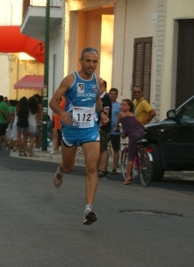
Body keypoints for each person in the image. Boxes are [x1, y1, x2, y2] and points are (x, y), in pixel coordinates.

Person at [48, 47, 109, 225]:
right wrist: (61, 112)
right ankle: (61, 168)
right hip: (71, 129)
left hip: (90, 129)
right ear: (81, 61)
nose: (92, 65)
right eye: (88, 61)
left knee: (92, 167)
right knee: (69, 167)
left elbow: (97, 101)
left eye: (95, 61)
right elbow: (53, 102)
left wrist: (102, 114)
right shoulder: (70, 79)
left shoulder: (98, 81)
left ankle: (88, 208)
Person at [114, 99, 146, 185]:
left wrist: (116, 129)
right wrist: (144, 128)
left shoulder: (121, 114)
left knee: (130, 157)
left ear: (128, 107)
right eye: (121, 104)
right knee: (138, 147)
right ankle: (141, 158)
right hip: (141, 132)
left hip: (133, 135)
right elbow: (139, 122)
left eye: (124, 105)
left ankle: (128, 176)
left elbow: (118, 124)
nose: (122, 106)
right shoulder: (132, 115)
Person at [97, 80, 112, 179]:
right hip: (96, 126)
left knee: (103, 149)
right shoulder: (98, 98)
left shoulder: (105, 98)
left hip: (102, 127)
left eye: (100, 86)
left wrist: (101, 124)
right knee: (98, 149)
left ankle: (103, 170)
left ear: (104, 87)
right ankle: (98, 168)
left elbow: (106, 112)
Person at [108, 88, 121, 174]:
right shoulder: (106, 104)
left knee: (116, 149)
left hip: (115, 131)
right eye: (111, 93)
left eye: (114, 94)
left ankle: (114, 168)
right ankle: (102, 168)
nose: (113, 95)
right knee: (102, 150)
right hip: (106, 130)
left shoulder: (120, 105)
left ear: (117, 95)